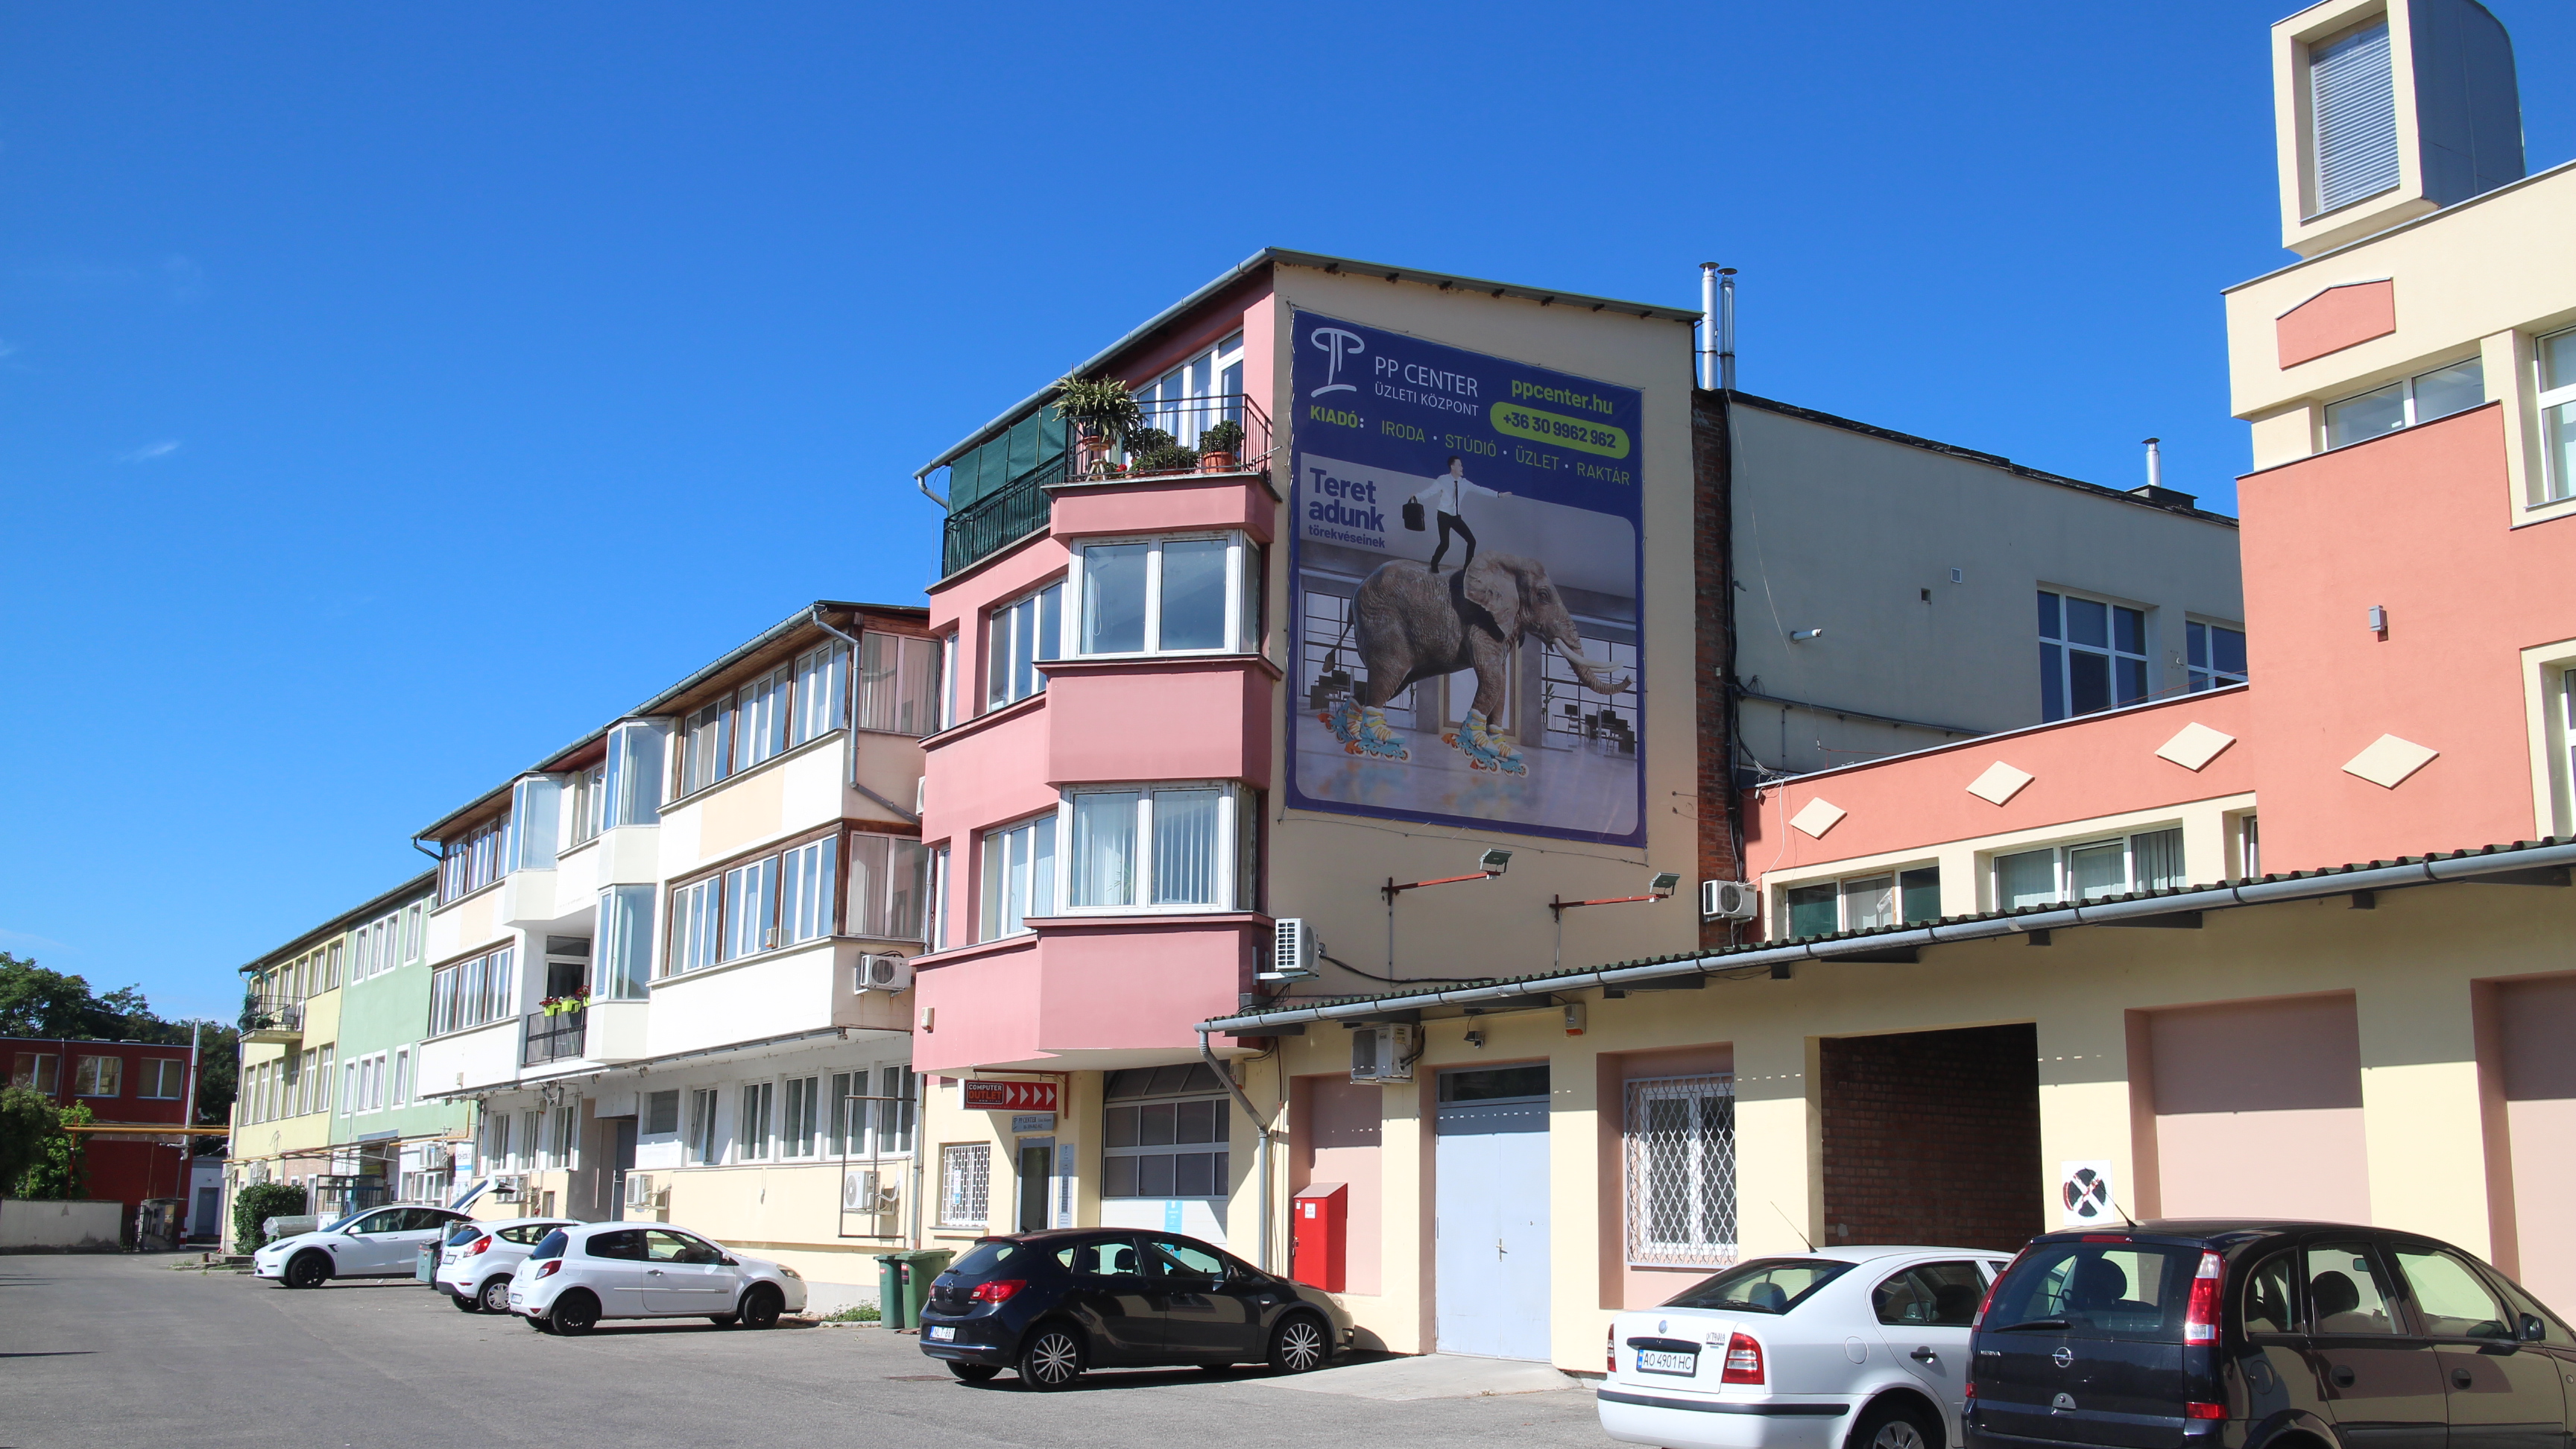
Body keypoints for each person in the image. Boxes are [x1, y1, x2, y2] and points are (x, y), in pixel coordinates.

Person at [1412, 457, 1506, 574]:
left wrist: (1498, 495)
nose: (1462, 468)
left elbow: (1480, 490)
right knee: (1445, 544)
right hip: (1443, 515)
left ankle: (1467, 568)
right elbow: (1430, 491)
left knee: (1472, 541)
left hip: (1455, 517)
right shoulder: (1443, 480)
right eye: (1459, 465)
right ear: (1452, 467)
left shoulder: (1464, 483)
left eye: (1462, 465)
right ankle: (1434, 563)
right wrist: (1417, 496)